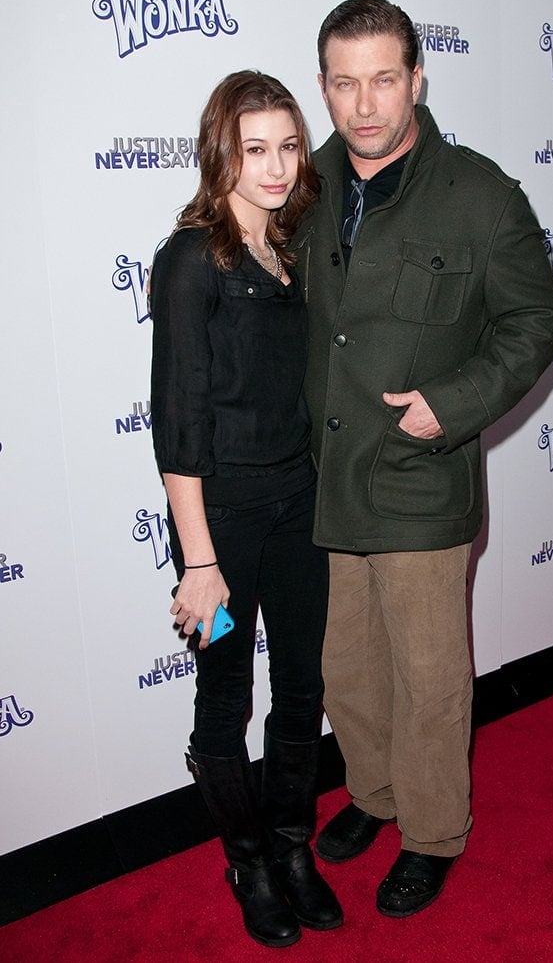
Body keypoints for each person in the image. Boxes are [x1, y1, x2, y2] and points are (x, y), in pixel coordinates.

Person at [292, 0, 553, 918]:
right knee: (350, 669)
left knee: (430, 678)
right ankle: (375, 797)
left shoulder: (481, 195)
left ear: (417, 78)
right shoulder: (305, 185)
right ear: (323, 87)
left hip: (419, 477)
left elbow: (539, 323)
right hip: (330, 481)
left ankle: (433, 832)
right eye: (344, 81)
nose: (365, 102)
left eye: (383, 78)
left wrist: (450, 408)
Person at [149, 70, 342, 949]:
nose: (274, 167)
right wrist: (198, 563)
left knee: (303, 683)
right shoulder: (191, 259)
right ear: (220, 153)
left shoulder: (295, 249)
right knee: (225, 695)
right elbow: (178, 423)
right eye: (253, 148)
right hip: (220, 527)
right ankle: (249, 860)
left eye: (288, 146)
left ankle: (294, 846)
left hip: (300, 509)